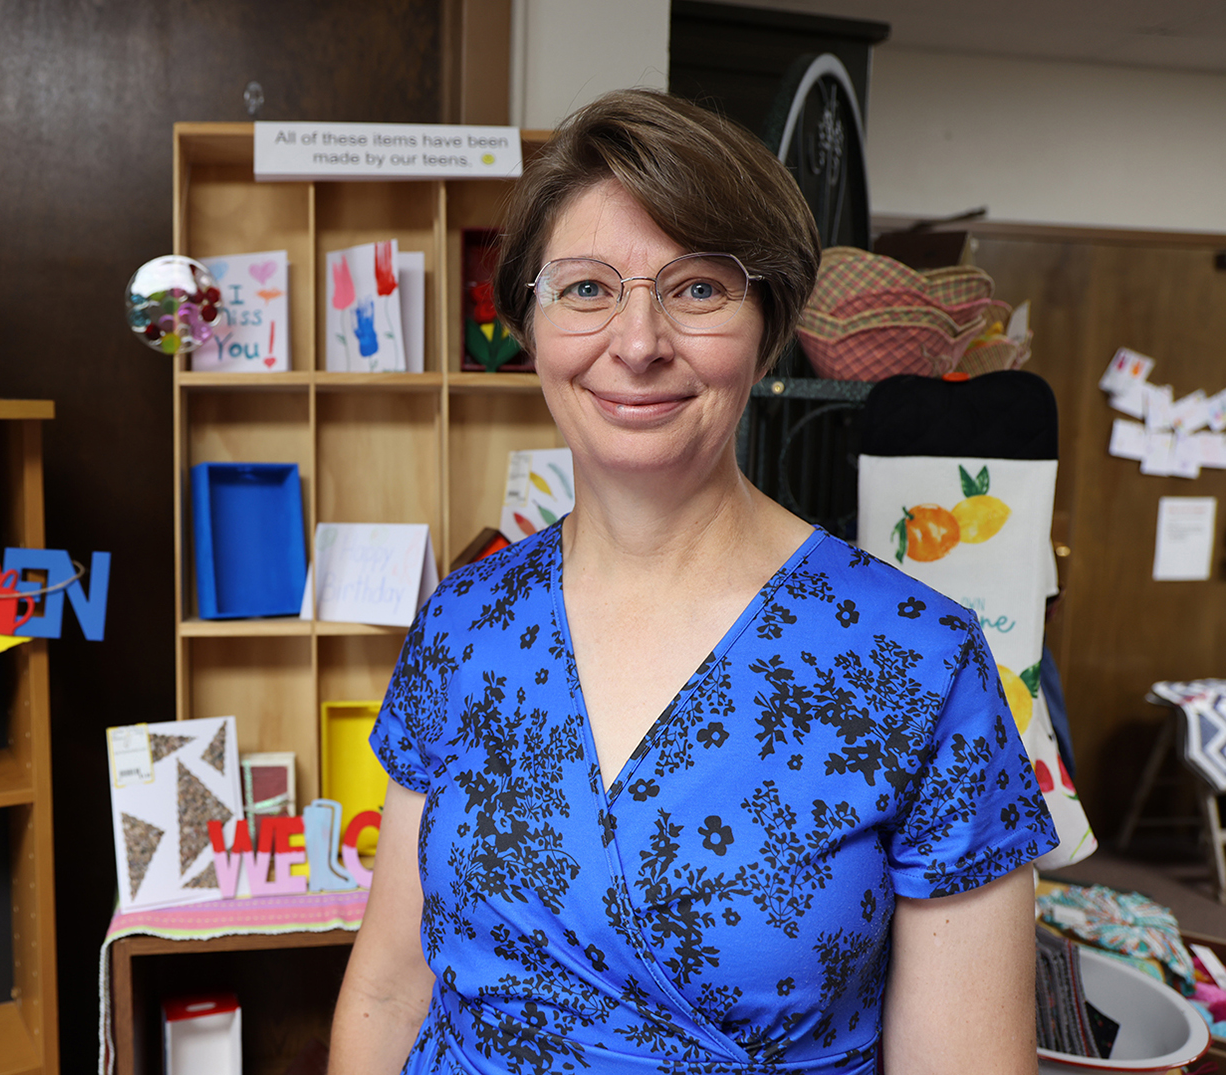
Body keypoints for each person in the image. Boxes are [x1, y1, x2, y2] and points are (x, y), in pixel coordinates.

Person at [328, 89, 1056, 1075]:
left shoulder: (913, 661)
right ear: (528, 327)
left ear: (765, 326)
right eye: (584, 289)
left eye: (697, 288)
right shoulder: (465, 625)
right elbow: (388, 987)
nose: (635, 343)